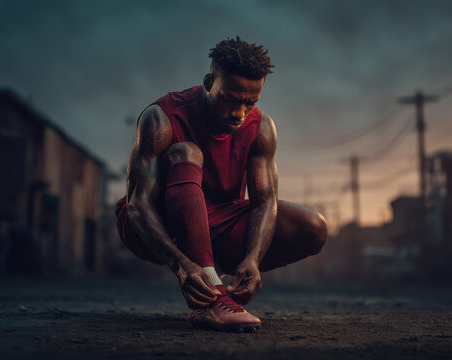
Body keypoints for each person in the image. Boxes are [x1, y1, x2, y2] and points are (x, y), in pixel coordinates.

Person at [115, 36, 327, 332]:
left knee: (313, 227)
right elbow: (138, 204)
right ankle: (209, 299)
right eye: (230, 98)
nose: (239, 113)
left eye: (250, 103)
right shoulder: (161, 118)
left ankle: (216, 281)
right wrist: (180, 266)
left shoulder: (262, 127)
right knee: (186, 153)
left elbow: (266, 201)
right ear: (208, 81)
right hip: (155, 222)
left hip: (217, 221)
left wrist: (252, 260)